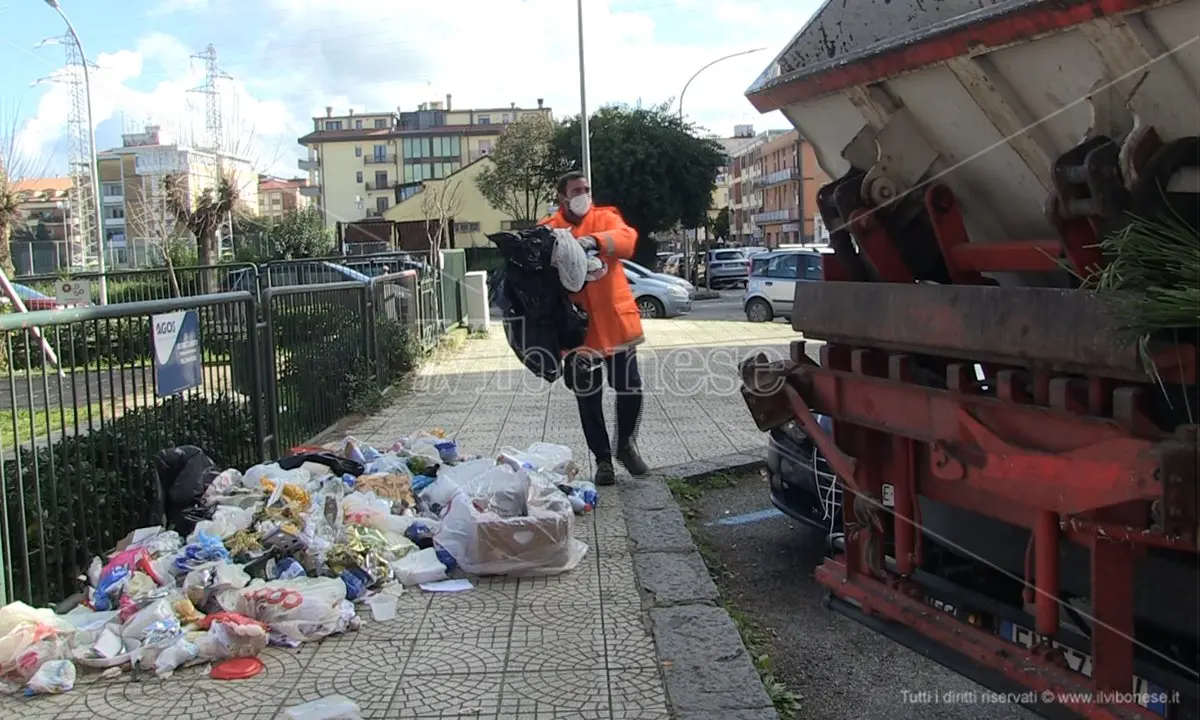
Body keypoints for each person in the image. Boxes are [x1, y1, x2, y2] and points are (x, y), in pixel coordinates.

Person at [541, 171, 649, 486]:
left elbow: (627, 240)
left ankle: (625, 444)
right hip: (577, 330)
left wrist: (594, 241)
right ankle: (603, 460)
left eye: (587, 188)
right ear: (562, 196)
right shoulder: (549, 230)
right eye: (576, 190)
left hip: (615, 323)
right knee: (588, 396)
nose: (583, 194)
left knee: (630, 387)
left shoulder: (607, 218)